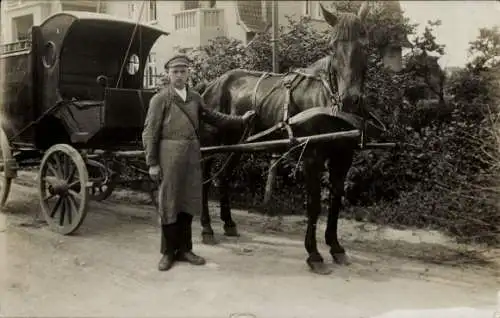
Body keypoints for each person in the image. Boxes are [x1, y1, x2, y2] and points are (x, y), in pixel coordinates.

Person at [142, 55, 255, 271]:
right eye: (175, 71)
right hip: (169, 154)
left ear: (188, 74)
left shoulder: (194, 97)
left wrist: (240, 120)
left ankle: (185, 249)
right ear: (168, 74)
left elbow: (212, 116)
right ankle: (168, 252)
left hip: (192, 153)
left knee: (188, 201)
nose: (179, 75)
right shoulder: (160, 99)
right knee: (169, 202)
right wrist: (152, 162)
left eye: (183, 71)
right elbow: (149, 132)